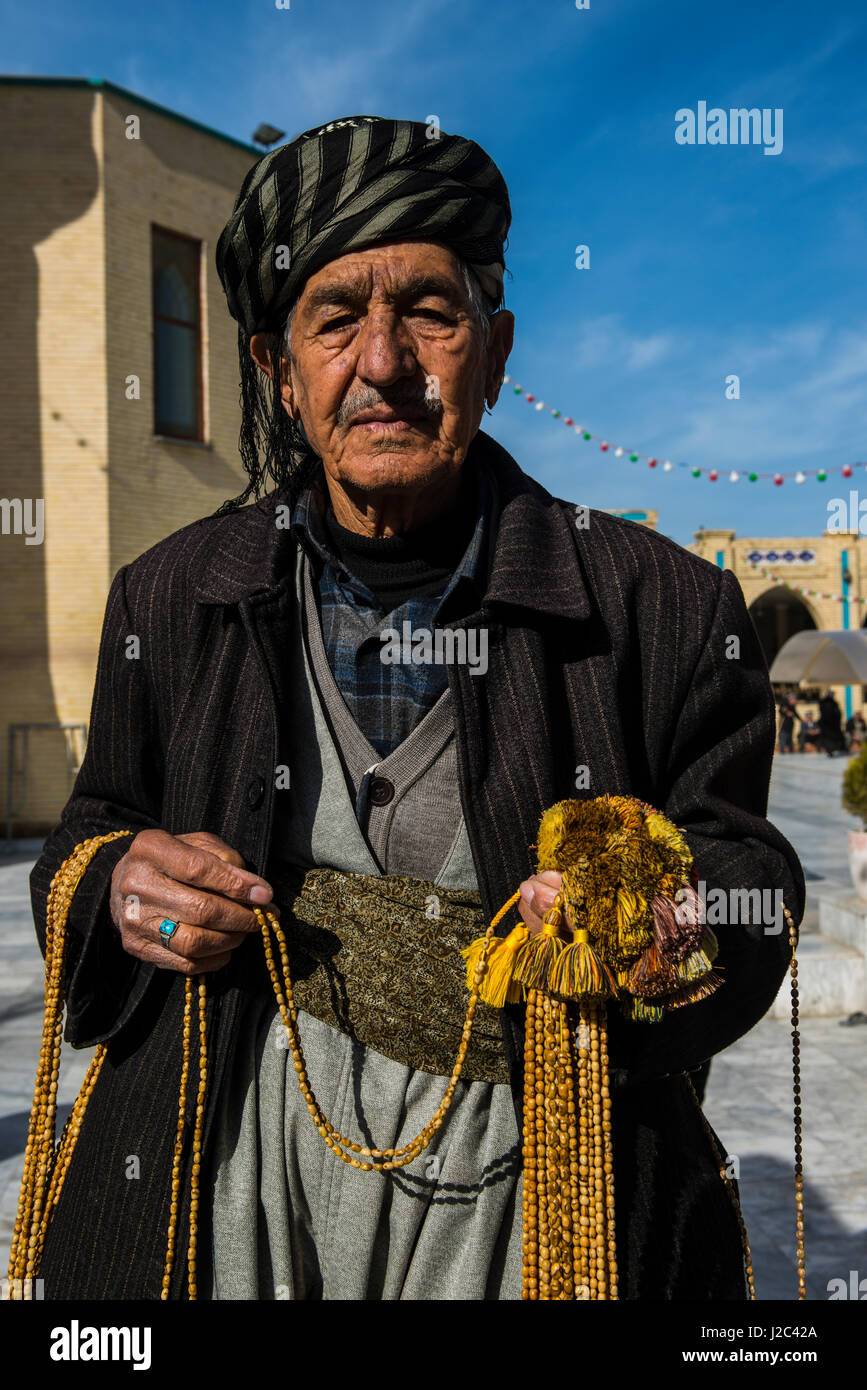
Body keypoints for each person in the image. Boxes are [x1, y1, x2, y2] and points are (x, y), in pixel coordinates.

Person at [29, 114, 805, 1302]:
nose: (383, 362)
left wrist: (663, 919)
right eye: (335, 317)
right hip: (231, 1203)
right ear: (276, 372)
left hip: (539, 1222)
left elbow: (750, 875)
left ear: (494, 352)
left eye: (429, 313)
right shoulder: (174, 597)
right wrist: (120, 887)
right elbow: (85, 843)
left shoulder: (663, 607)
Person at [818, 689, 845, 757]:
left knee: (832, 739)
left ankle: (832, 750)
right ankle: (830, 751)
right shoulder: (826, 703)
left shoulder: (833, 703)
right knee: (829, 739)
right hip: (828, 725)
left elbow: (837, 713)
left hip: (832, 725)